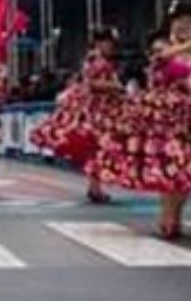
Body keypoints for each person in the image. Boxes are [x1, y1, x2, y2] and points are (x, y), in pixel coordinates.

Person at [95, 1, 191, 240]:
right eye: (180, 20)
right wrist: (190, 45)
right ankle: (167, 215)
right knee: (170, 169)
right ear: (171, 23)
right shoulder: (163, 44)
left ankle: (176, 216)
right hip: (166, 116)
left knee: (186, 171)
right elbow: (159, 58)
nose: (186, 25)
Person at [32, 27, 126, 203]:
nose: (111, 47)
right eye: (108, 43)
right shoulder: (95, 58)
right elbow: (92, 83)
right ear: (100, 42)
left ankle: (94, 187)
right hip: (95, 110)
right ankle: (95, 188)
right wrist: (116, 87)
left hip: (101, 108)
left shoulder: (99, 59)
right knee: (96, 147)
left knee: (97, 148)